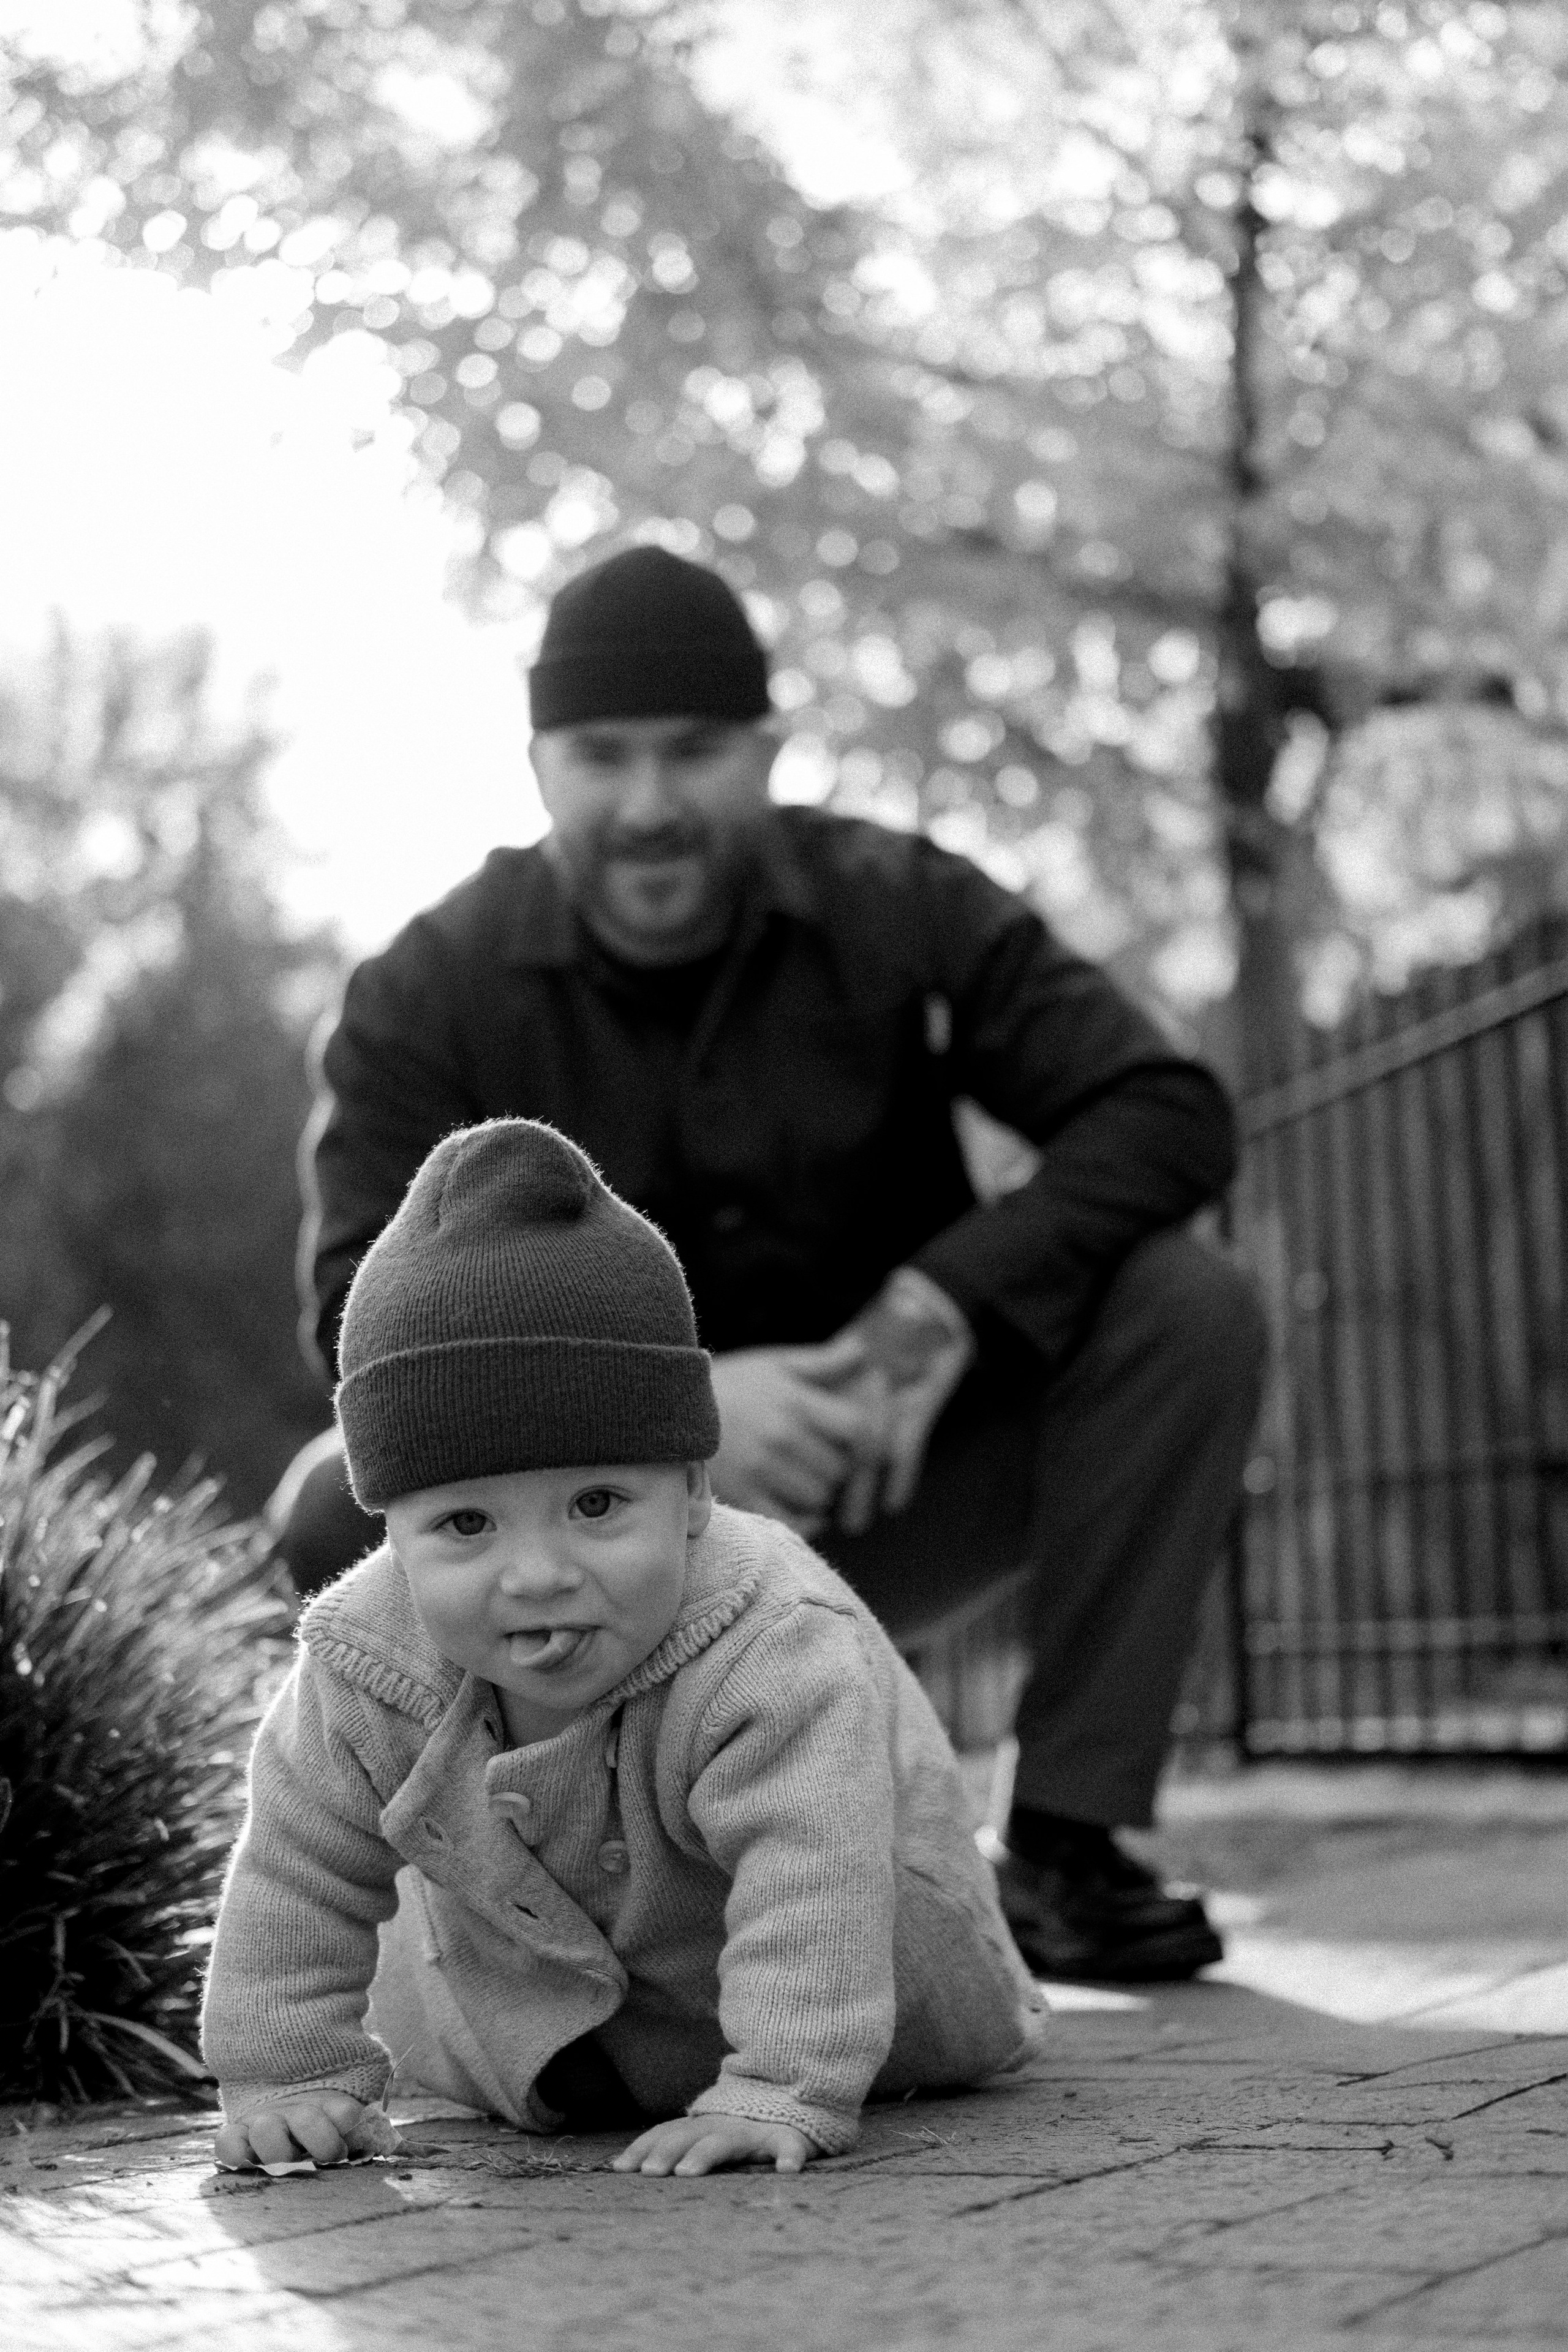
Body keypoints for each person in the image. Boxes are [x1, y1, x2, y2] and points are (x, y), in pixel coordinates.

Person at [275, 544, 1269, 1986]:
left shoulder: (901, 900)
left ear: (767, 747)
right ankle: (507, 1896)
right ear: (540, 764)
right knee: (327, 1508)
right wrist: (677, 1409)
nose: (650, 804)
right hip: (593, 1535)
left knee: (1186, 1306)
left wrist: (936, 1311)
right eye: (602, 757)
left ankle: (1061, 1845)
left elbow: (1166, 1111)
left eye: (694, 752)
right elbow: (349, 1320)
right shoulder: (425, 987)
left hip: (892, 1479)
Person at [205, 1119, 1038, 2176]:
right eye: (466, 1525)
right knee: (409, 1933)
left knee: (834, 1907)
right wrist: (284, 2075)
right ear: (391, 1532)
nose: (538, 1573)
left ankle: (763, 2062)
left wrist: (784, 2088)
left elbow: (812, 1873)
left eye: (597, 1504)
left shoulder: (771, 1639)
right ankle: (585, 2060)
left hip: (884, 2007)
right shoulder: (362, 1665)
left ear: (693, 1491)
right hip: (553, 2011)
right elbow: (296, 1871)